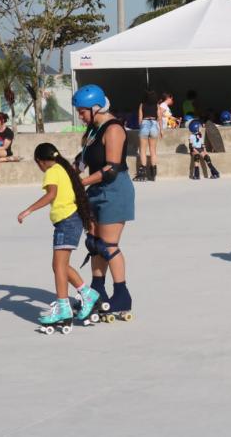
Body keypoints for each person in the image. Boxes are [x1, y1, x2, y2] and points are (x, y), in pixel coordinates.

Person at [17, 143, 101, 333]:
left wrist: (28, 210)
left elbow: (51, 195)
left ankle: (63, 309)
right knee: (60, 265)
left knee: (58, 266)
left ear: (40, 161)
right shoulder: (63, 169)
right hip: (72, 220)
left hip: (66, 221)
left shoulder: (52, 171)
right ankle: (88, 294)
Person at [72, 84, 135, 320]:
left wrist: (82, 182)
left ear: (96, 107)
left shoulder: (114, 129)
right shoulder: (92, 130)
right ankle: (97, 290)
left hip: (114, 190)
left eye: (82, 111)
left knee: (108, 245)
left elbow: (111, 168)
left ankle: (121, 294)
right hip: (96, 191)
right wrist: (68, 174)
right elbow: (82, 160)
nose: (80, 115)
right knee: (94, 243)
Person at [134, 90, 163, 182]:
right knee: (153, 150)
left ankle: (143, 174)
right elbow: (160, 118)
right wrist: (161, 130)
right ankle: (153, 173)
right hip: (154, 124)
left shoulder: (142, 105)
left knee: (142, 150)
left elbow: (140, 118)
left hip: (145, 123)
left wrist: (141, 126)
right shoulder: (157, 106)